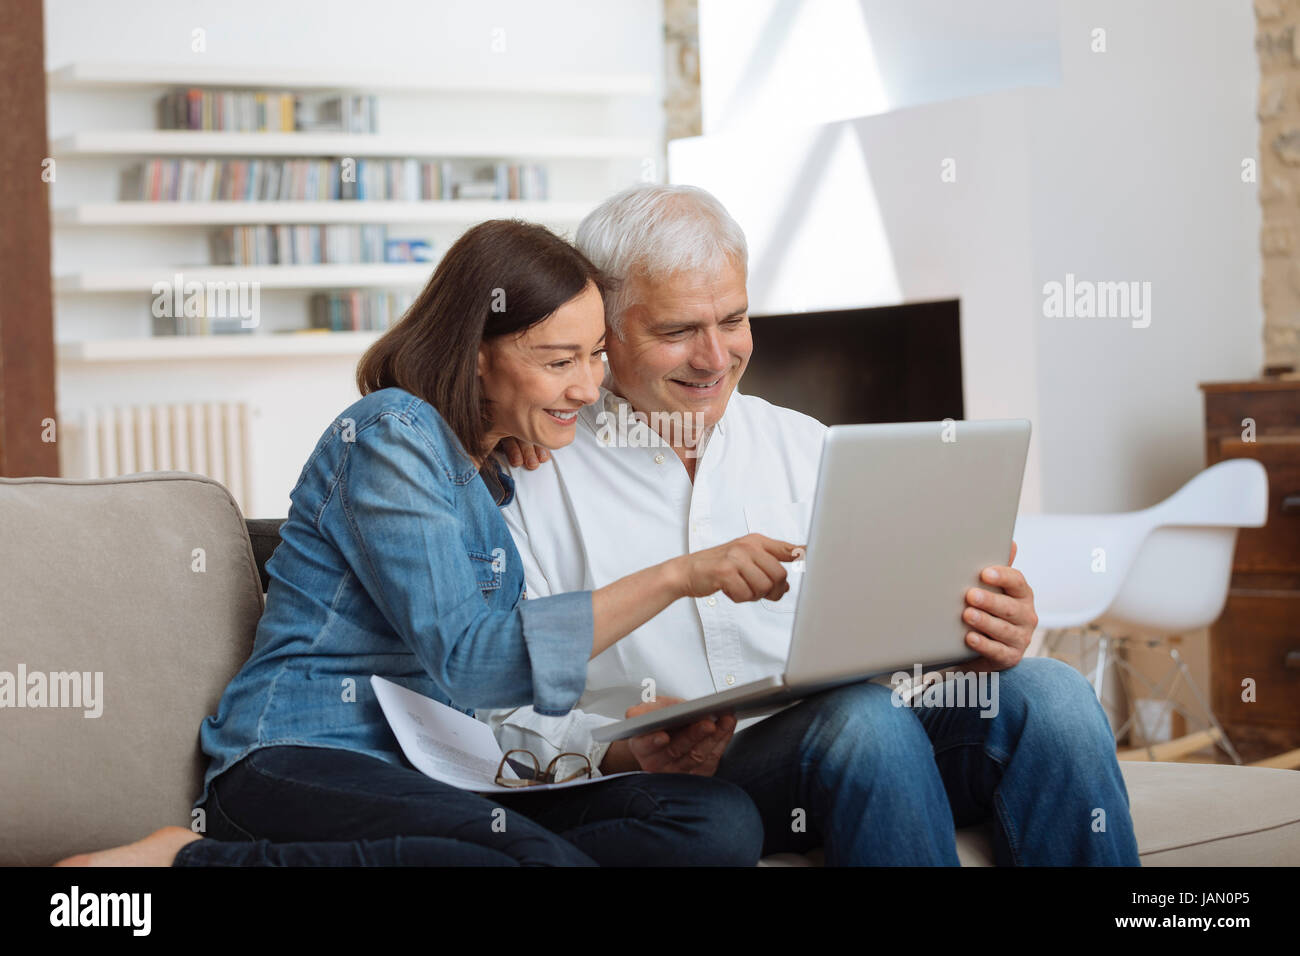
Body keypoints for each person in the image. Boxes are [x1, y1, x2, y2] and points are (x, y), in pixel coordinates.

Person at [55, 219, 795, 867]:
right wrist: (682, 574)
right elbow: (475, 661)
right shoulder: (388, 435)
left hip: (443, 775)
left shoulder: (494, 474)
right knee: (523, 853)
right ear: (476, 352)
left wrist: (621, 752)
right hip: (306, 758)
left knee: (713, 822)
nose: (588, 388)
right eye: (557, 360)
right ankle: (189, 860)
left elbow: (496, 710)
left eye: (596, 355)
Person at [485, 184, 1142, 866]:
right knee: (864, 722)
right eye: (677, 331)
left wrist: (966, 642)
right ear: (604, 333)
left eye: (733, 319)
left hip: (867, 747)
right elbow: (496, 718)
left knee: (1053, 695)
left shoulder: (808, 448)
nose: (715, 358)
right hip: (706, 788)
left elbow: (890, 660)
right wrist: (621, 748)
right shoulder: (532, 477)